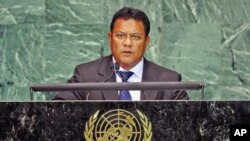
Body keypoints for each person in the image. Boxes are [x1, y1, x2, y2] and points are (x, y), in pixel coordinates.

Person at [53, 7, 188, 100]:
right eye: (120, 35)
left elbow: (189, 125)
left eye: (135, 37)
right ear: (110, 38)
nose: (127, 43)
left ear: (147, 42)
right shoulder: (85, 75)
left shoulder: (169, 81)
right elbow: (57, 113)